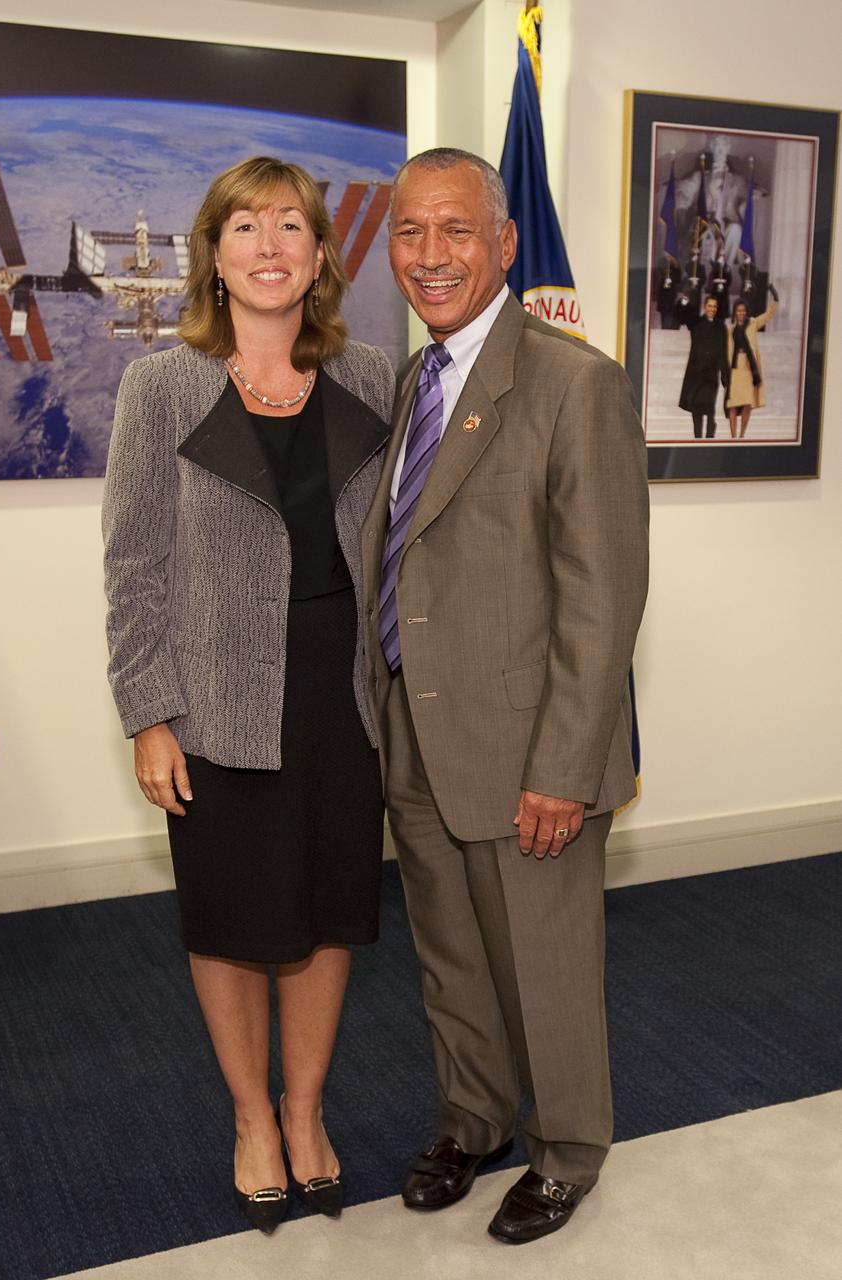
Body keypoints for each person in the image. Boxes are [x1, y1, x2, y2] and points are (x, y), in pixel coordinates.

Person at [102, 156, 393, 1234]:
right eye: (244, 227)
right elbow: (133, 563)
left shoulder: (372, 375)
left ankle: (306, 1108)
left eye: (290, 226)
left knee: (324, 915)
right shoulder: (160, 387)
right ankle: (250, 1119)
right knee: (230, 919)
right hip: (215, 696)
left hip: (341, 694)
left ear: (319, 256)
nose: (268, 245)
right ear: (211, 255)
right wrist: (147, 710)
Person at [362, 148, 648, 1246]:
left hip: (527, 748)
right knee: (452, 956)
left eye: (455, 230)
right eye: (408, 233)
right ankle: (471, 1119)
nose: (429, 256)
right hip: (416, 734)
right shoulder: (413, 377)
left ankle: (567, 1150)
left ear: (503, 242)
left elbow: (601, 596)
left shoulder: (574, 384)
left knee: (547, 965)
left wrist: (561, 770)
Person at [726, 288, 778, 438]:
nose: (741, 313)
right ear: (735, 312)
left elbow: (768, 315)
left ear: (746, 311)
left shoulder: (753, 323)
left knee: (748, 403)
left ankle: (742, 436)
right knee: (733, 404)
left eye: (743, 310)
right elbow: (725, 351)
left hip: (749, 368)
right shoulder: (730, 330)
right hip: (735, 368)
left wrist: (774, 299)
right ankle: (733, 437)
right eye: (738, 310)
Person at [679, 295, 729, 438]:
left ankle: (709, 437)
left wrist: (725, 377)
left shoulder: (721, 327)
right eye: (709, 306)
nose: (712, 309)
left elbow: (723, 352)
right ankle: (697, 438)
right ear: (704, 307)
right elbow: (683, 316)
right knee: (696, 409)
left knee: (709, 408)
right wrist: (684, 301)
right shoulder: (696, 322)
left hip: (711, 374)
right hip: (696, 373)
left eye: (714, 306)